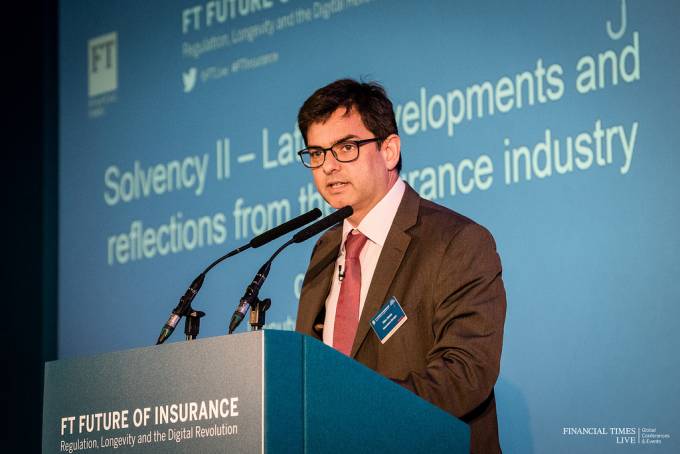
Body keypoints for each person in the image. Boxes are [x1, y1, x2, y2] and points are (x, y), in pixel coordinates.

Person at [294, 79, 506, 454]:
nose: (328, 166)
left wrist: (357, 413)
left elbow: (466, 372)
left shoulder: (456, 242)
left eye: (346, 148)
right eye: (317, 153)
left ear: (389, 150)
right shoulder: (324, 250)